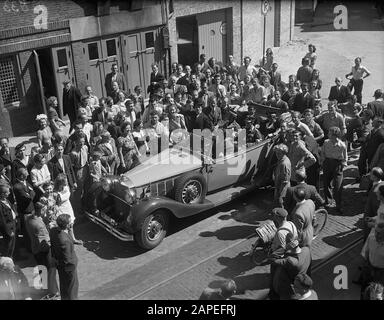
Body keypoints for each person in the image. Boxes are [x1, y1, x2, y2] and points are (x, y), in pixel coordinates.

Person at [25, 204, 59, 299]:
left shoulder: (28, 219)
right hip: (44, 249)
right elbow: (45, 238)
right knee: (50, 270)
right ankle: (53, 292)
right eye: (44, 210)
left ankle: (42, 288)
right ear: (40, 211)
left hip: (35, 248)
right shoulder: (39, 225)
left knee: (40, 268)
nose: (45, 211)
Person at [270, 233, 312, 300]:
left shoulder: (290, 261)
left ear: (289, 245)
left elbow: (272, 259)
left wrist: (284, 248)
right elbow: (309, 267)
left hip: (288, 289)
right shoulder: (306, 250)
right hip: (302, 283)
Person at [50, 214, 79, 300]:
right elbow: (67, 259)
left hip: (59, 264)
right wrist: (73, 265)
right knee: (72, 289)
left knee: (64, 286)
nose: (71, 224)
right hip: (68, 268)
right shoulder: (64, 240)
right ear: (66, 225)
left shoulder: (53, 231)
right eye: (70, 222)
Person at [320, 127, 348, 213]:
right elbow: (323, 153)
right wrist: (322, 163)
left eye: (329, 133)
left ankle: (338, 204)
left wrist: (342, 166)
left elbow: (345, 158)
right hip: (327, 163)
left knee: (338, 186)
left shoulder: (342, 145)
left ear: (334, 135)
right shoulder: (326, 142)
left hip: (337, 165)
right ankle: (328, 201)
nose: (327, 134)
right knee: (326, 183)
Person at [54, 174, 82, 245]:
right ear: (61, 183)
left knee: (71, 223)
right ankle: (65, 241)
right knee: (63, 224)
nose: (67, 182)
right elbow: (57, 201)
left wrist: (61, 198)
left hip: (67, 206)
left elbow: (66, 196)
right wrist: (62, 198)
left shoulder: (66, 187)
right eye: (65, 181)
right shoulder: (55, 191)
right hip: (61, 208)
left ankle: (73, 239)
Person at [13, 168, 36, 252]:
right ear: (22, 176)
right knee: (27, 232)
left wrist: (30, 193)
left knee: (32, 230)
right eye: (26, 174)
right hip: (25, 212)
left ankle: (32, 246)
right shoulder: (17, 187)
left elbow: (33, 193)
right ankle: (29, 248)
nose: (28, 175)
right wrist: (30, 193)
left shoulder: (26, 182)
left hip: (31, 209)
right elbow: (28, 198)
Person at [360, 222, 384, 291]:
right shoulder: (371, 238)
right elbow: (366, 251)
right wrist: (365, 265)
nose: (376, 234)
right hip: (369, 268)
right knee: (364, 288)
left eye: (379, 233)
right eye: (375, 231)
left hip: (381, 273)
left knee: (377, 292)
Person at [362, 167, 383, 241]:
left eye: (371, 174)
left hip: (371, 212)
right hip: (373, 213)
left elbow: (375, 204)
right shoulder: (379, 184)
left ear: (375, 176)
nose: (369, 175)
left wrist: (371, 216)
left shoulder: (376, 189)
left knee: (368, 231)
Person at [0, 184, 17, 258]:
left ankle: (10, 261)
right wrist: (8, 232)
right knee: (7, 248)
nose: (9, 193)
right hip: (8, 229)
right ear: (3, 194)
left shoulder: (6, 200)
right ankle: (6, 263)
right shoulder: (0, 204)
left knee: (12, 247)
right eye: (7, 192)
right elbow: (2, 220)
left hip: (13, 225)